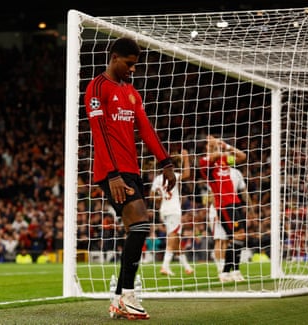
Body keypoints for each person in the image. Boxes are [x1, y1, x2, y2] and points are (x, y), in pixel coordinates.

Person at [84, 37, 176, 320]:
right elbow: (99, 132)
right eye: (129, 64)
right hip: (111, 172)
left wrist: (166, 162)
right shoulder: (96, 88)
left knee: (137, 228)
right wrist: (112, 174)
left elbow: (146, 129)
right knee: (140, 224)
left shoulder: (132, 93)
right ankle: (127, 294)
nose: (133, 70)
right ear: (114, 57)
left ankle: (119, 297)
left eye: (135, 65)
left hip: (132, 171)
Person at [199, 135, 250, 283]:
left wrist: (226, 146)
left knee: (238, 237)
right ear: (207, 148)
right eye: (210, 145)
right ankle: (226, 271)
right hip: (223, 205)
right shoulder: (205, 162)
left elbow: (242, 156)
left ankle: (233, 270)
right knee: (235, 236)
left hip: (235, 202)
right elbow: (213, 156)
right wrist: (216, 146)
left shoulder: (225, 160)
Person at [150, 149, 194, 276]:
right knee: (173, 237)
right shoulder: (173, 176)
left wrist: (160, 198)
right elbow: (187, 174)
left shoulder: (158, 179)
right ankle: (165, 266)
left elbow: (151, 196)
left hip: (164, 209)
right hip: (174, 210)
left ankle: (187, 267)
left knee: (176, 240)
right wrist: (186, 158)